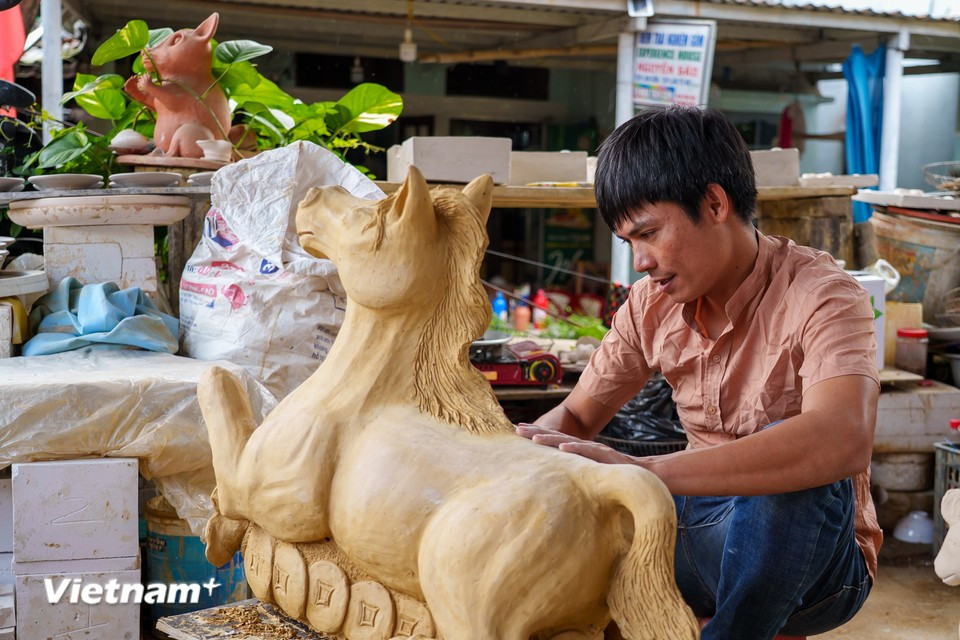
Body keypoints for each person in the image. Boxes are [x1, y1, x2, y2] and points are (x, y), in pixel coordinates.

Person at [517, 105, 881, 640]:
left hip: (818, 566)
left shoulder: (823, 295)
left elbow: (843, 438)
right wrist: (509, 461)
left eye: (649, 233)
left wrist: (647, 474)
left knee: (798, 475)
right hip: (698, 532)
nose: (639, 261)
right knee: (572, 497)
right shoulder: (648, 304)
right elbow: (575, 414)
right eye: (627, 243)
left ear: (714, 203)